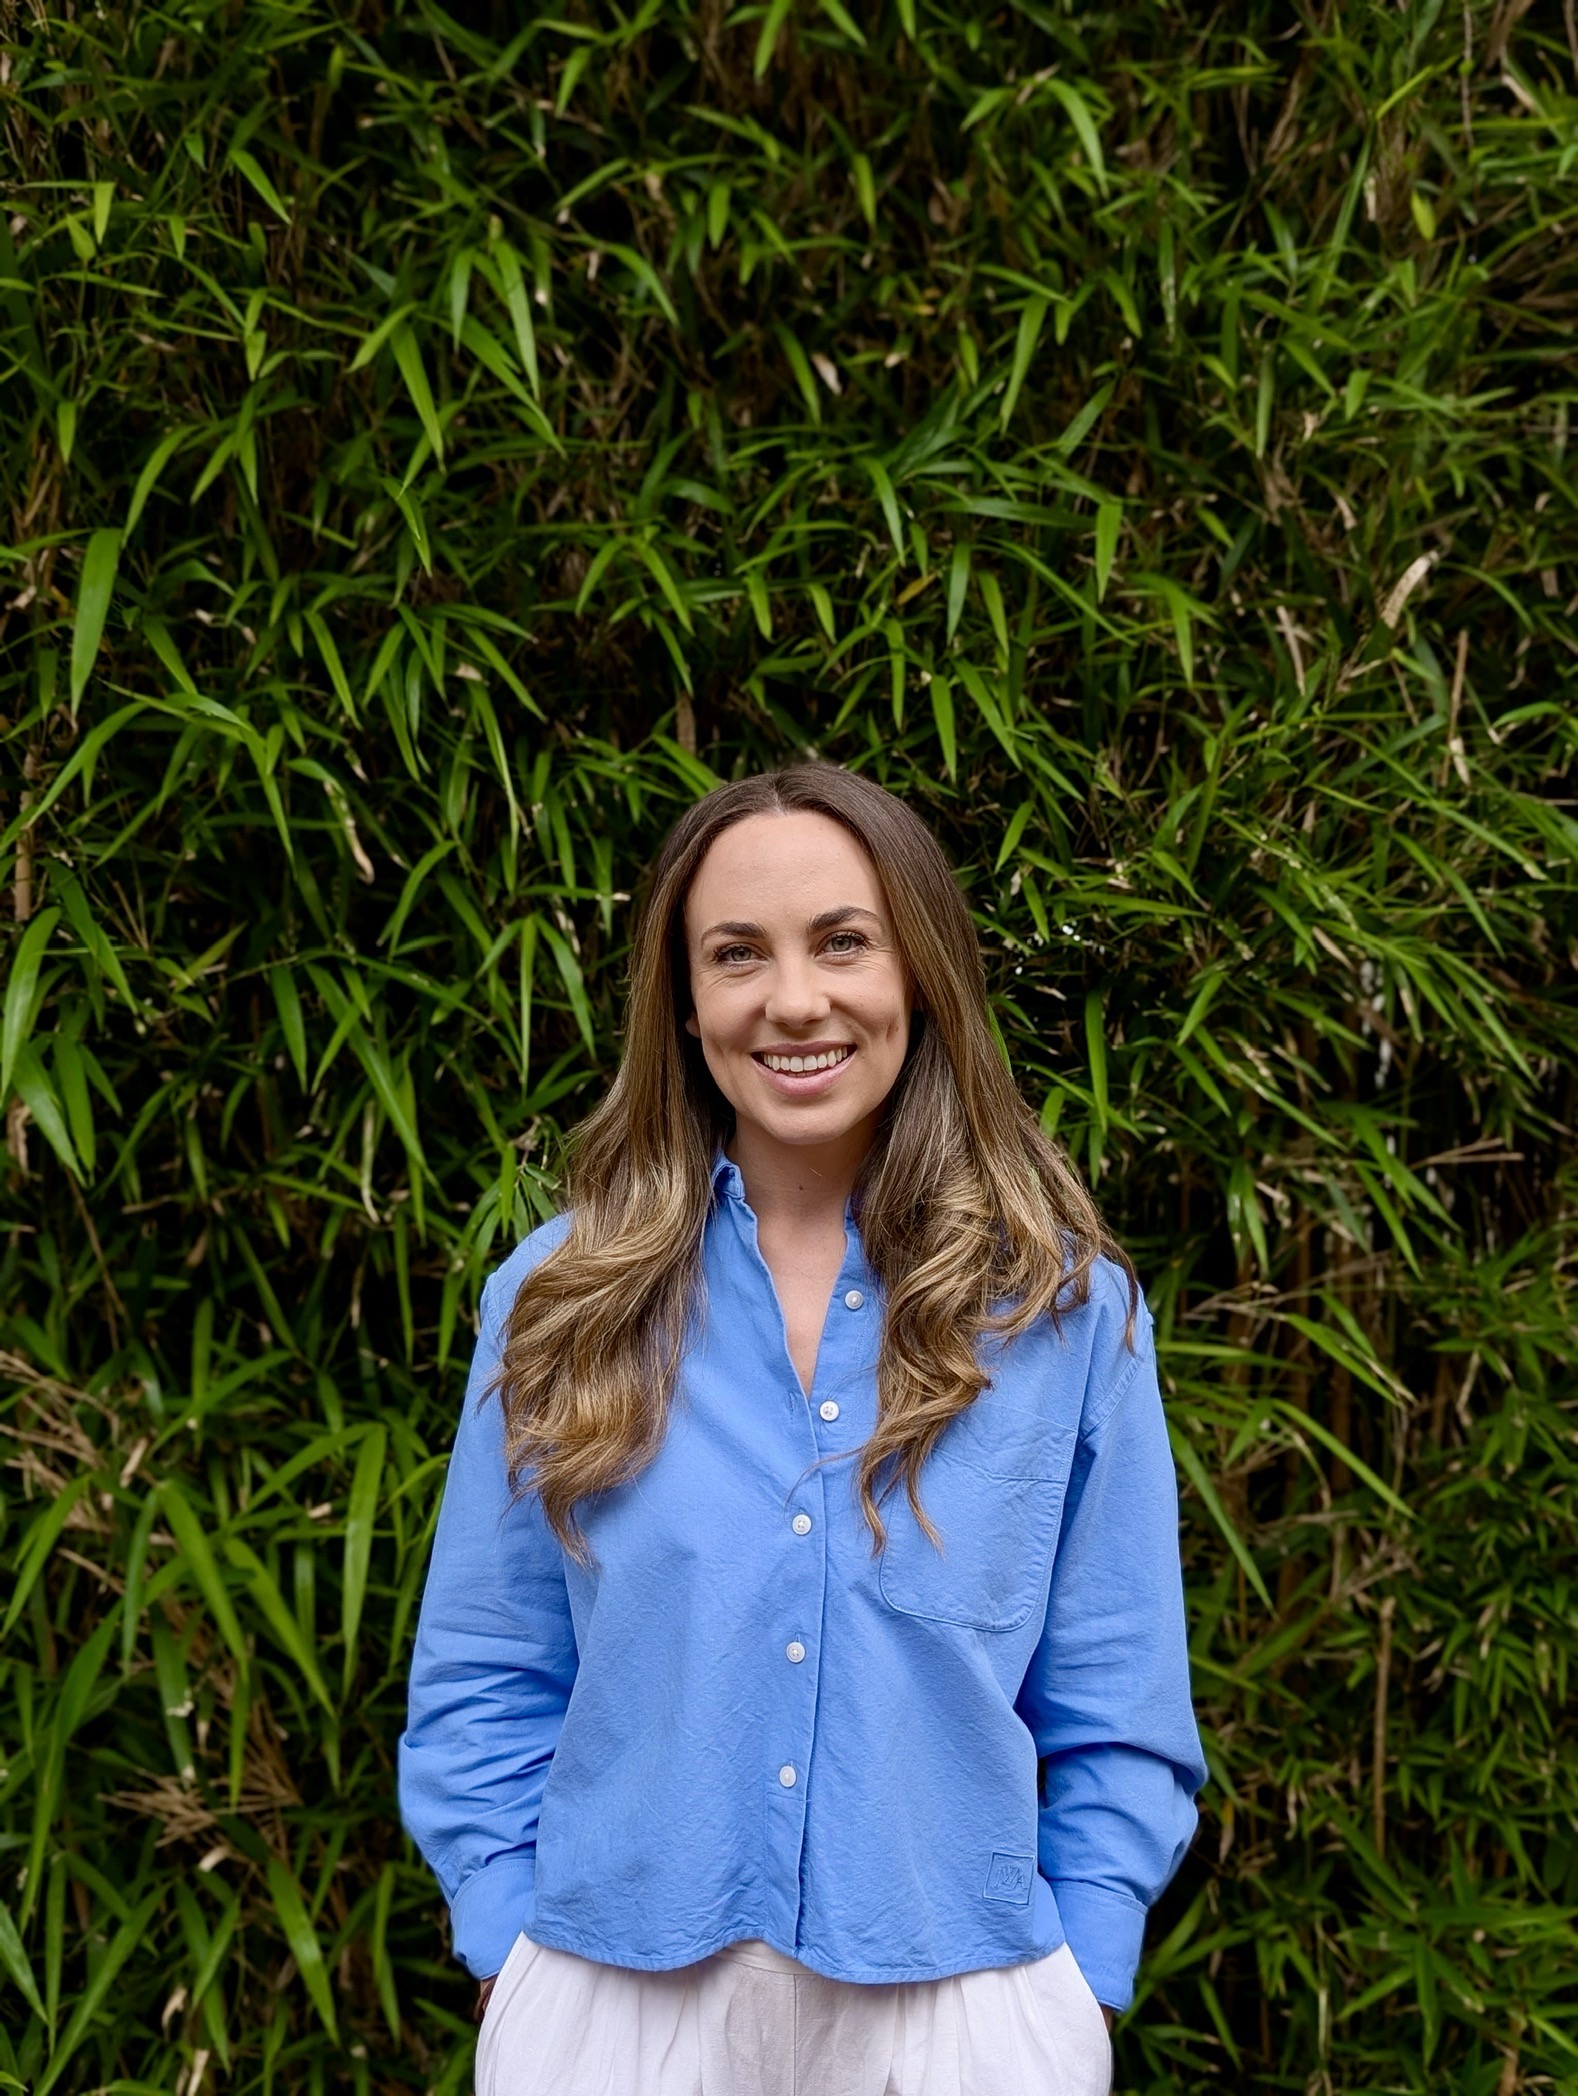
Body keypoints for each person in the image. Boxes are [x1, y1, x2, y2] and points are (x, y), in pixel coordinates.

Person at [399, 763, 1205, 2096]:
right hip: (613, 2007)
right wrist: (509, 1953)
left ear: (921, 973)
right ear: (684, 1000)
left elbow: (1117, 1701)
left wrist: (1075, 1992)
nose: (792, 1000)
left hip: (963, 2008)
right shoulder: (558, 1299)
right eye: (735, 955)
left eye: (842, 942)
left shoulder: (1065, 1312)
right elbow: (487, 1669)